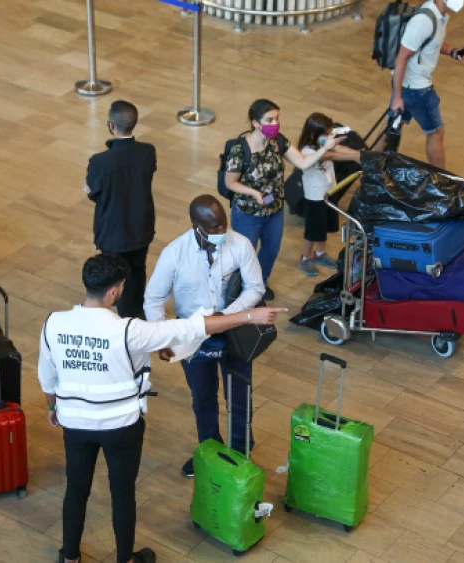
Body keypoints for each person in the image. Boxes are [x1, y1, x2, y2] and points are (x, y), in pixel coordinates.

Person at [39, 254, 286, 563]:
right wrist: (251, 317)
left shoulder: (54, 323)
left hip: (75, 423)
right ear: (114, 292)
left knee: (76, 490)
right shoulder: (130, 331)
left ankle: (70, 558)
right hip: (121, 426)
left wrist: (53, 408)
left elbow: (47, 378)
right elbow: (192, 327)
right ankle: (126, 560)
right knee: (122, 493)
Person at [144, 195, 266, 477]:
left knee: (239, 396)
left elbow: (255, 289)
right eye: (214, 228)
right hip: (193, 337)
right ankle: (210, 451)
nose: (222, 232)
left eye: (224, 225)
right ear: (196, 226)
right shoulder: (174, 253)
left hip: (235, 332)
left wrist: (225, 317)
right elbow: (153, 299)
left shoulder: (241, 244)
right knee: (203, 399)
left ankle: (240, 451)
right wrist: (164, 338)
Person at [225, 99, 344, 300]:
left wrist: (324, 149)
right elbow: (230, 183)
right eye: (269, 120)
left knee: (270, 251)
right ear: (255, 123)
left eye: (277, 118)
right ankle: (240, 290)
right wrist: (254, 193)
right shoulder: (240, 149)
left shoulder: (279, 141)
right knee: (246, 255)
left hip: (275, 210)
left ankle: (260, 284)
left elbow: (303, 162)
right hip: (248, 213)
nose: (275, 124)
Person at [84, 100, 157, 319]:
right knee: (138, 269)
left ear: (111, 125)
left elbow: (92, 192)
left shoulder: (99, 161)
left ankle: (126, 319)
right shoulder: (148, 152)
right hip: (141, 228)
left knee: (115, 274)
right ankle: (138, 309)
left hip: (113, 232)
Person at [378, 0, 464, 168]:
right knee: (436, 133)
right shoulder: (424, 20)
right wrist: (397, 97)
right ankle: (441, 181)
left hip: (409, 86)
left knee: (392, 128)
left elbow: (431, 40)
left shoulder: (438, 15)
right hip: (417, 89)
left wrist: (452, 52)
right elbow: (401, 58)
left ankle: (370, 166)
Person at [294, 112, 361, 277]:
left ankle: (320, 253)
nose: (329, 137)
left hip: (329, 192)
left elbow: (337, 147)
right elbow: (329, 155)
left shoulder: (323, 144)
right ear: (313, 134)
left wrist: (359, 153)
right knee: (313, 230)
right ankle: (306, 257)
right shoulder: (307, 151)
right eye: (326, 134)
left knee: (323, 226)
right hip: (314, 197)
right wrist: (354, 156)